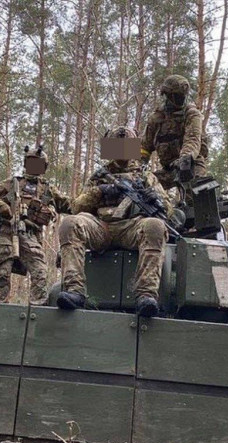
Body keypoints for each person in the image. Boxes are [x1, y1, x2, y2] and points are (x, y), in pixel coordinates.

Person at [56, 127, 172, 317]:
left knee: (155, 226)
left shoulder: (145, 176)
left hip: (132, 227)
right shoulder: (99, 176)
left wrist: (155, 198)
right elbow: (76, 207)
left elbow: (168, 210)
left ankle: (146, 295)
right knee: (70, 223)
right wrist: (100, 191)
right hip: (101, 227)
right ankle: (75, 290)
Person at [0, 146, 71, 305]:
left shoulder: (47, 189)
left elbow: (69, 204)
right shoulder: (12, 183)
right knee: (3, 273)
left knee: (40, 272)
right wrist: (1, 205)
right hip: (7, 232)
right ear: (25, 164)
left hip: (31, 236)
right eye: (31, 163)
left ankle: (37, 308)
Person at [140, 74, 209, 190]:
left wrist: (186, 158)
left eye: (182, 96)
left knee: (198, 193)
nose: (181, 100)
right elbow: (144, 146)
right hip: (168, 170)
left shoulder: (192, 114)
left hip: (192, 165)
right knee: (140, 187)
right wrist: (138, 165)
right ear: (167, 95)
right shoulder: (156, 118)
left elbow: (192, 139)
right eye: (177, 96)